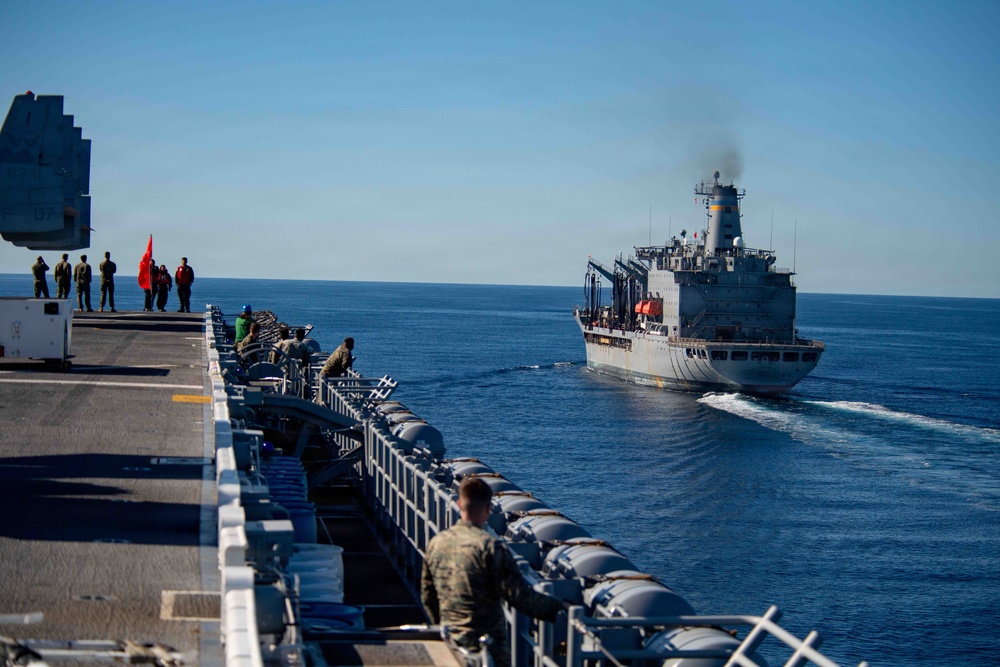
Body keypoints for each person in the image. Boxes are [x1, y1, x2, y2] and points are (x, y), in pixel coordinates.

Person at [421, 478, 565, 667]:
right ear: (489, 508)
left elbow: (427, 595)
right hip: (488, 651)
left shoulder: (437, 543)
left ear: (459, 504)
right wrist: (558, 606)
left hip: (452, 644)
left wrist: (441, 626)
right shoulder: (490, 547)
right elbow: (520, 597)